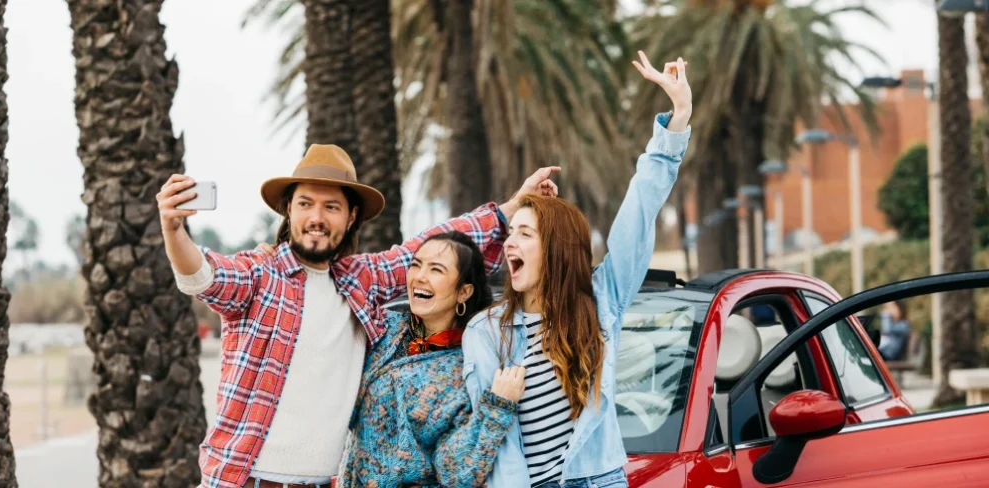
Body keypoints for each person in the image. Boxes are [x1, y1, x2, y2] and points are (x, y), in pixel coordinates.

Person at [155, 143, 558, 488]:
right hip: (246, 480)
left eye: (331, 206)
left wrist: (514, 205)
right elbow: (205, 277)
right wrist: (173, 230)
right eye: (305, 204)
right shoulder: (259, 275)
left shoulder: (361, 280)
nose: (317, 216)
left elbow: (440, 245)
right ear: (288, 211)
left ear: (350, 218)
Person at [461, 52, 692, 488]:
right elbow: (496, 447)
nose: (510, 242)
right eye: (511, 234)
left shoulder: (600, 301)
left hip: (600, 478)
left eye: (526, 235)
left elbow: (638, 213)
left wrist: (679, 117)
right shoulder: (486, 332)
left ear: (558, 250)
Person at [258, 231, 526, 487]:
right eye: (417, 265)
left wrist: (497, 409)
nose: (420, 277)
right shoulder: (383, 327)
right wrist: (281, 270)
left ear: (464, 292)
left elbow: (455, 473)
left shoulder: (467, 365)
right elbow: (324, 305)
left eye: (436, 269)